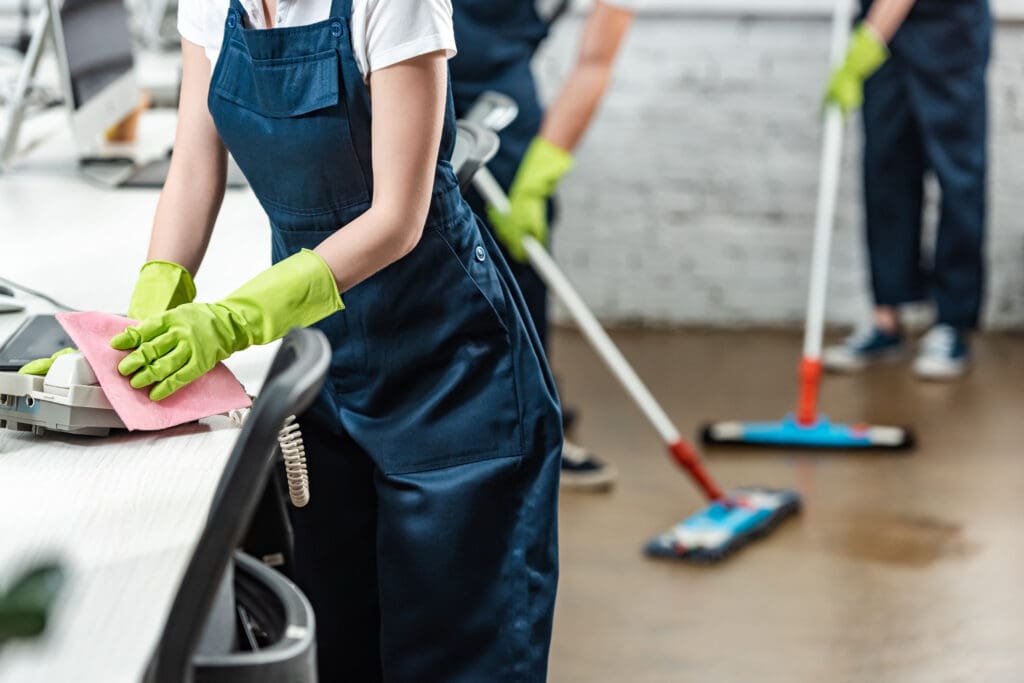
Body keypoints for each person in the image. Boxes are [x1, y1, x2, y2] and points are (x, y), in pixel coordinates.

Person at [26, 0, 563, 679]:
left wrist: (234, 320)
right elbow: (194, 169)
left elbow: (398, 217)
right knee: (337, 644)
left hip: (450, 375)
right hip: (327, 370)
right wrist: (145, 320)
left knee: (454, 653)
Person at [450, 0, 635, 490]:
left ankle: (533, 428)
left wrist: (542, 170)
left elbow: (597, 61)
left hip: (497, 96)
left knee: (518, 263)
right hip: (393, 66)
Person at [821, 0, 991, 380]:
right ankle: (886, 319)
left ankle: (952, 322)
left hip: (948, 28)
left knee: (957, 175)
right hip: (883, 26)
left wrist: (869, 38)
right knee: (886, 169)